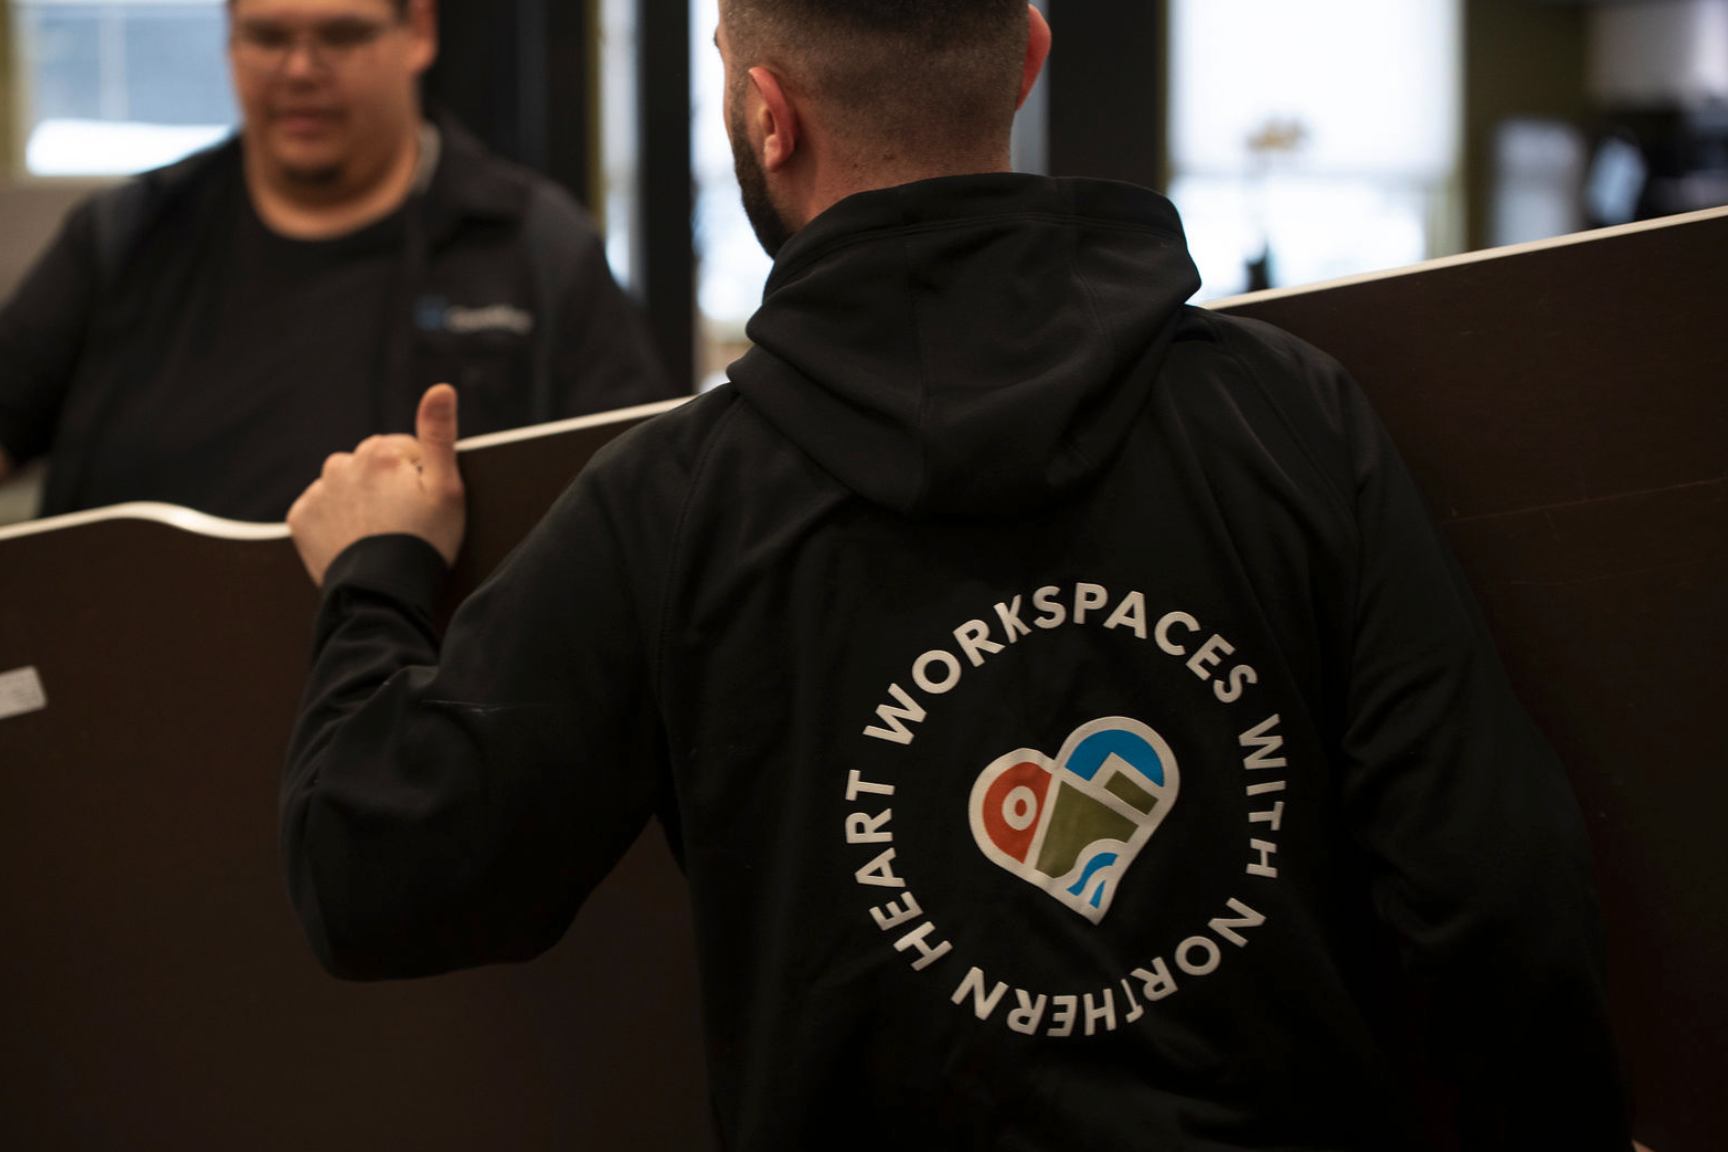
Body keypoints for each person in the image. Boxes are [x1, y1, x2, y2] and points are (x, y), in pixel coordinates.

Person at [280, 2, 1635, 1149]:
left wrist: (380, 575)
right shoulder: (1288, 419)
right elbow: (1493, 892)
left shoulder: (679, 500)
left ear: (769, 116)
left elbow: (381, 875)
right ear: (1030, 56)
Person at [0, 0, 671, 522]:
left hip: (425, 690)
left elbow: (643, 504)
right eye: (267, 38)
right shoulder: (128, 235)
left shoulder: (534, 249)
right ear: (229, 40)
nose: (299, 70)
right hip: (126, 678)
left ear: (418, 32)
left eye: (342, 36)